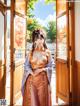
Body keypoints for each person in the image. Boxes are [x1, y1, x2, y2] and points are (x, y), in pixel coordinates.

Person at [21, 29, 54, 106]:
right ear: (34, 40)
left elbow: (51, 66)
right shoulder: (31, 52)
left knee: (42, 100)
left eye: (41, 38)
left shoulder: (47, 52)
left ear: (44, 39)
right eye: (37, 38)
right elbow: (26, 65)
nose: (39, 40)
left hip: (43, 80)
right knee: (32, 101)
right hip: (31, 80)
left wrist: (41, 69)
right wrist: (31, 72)